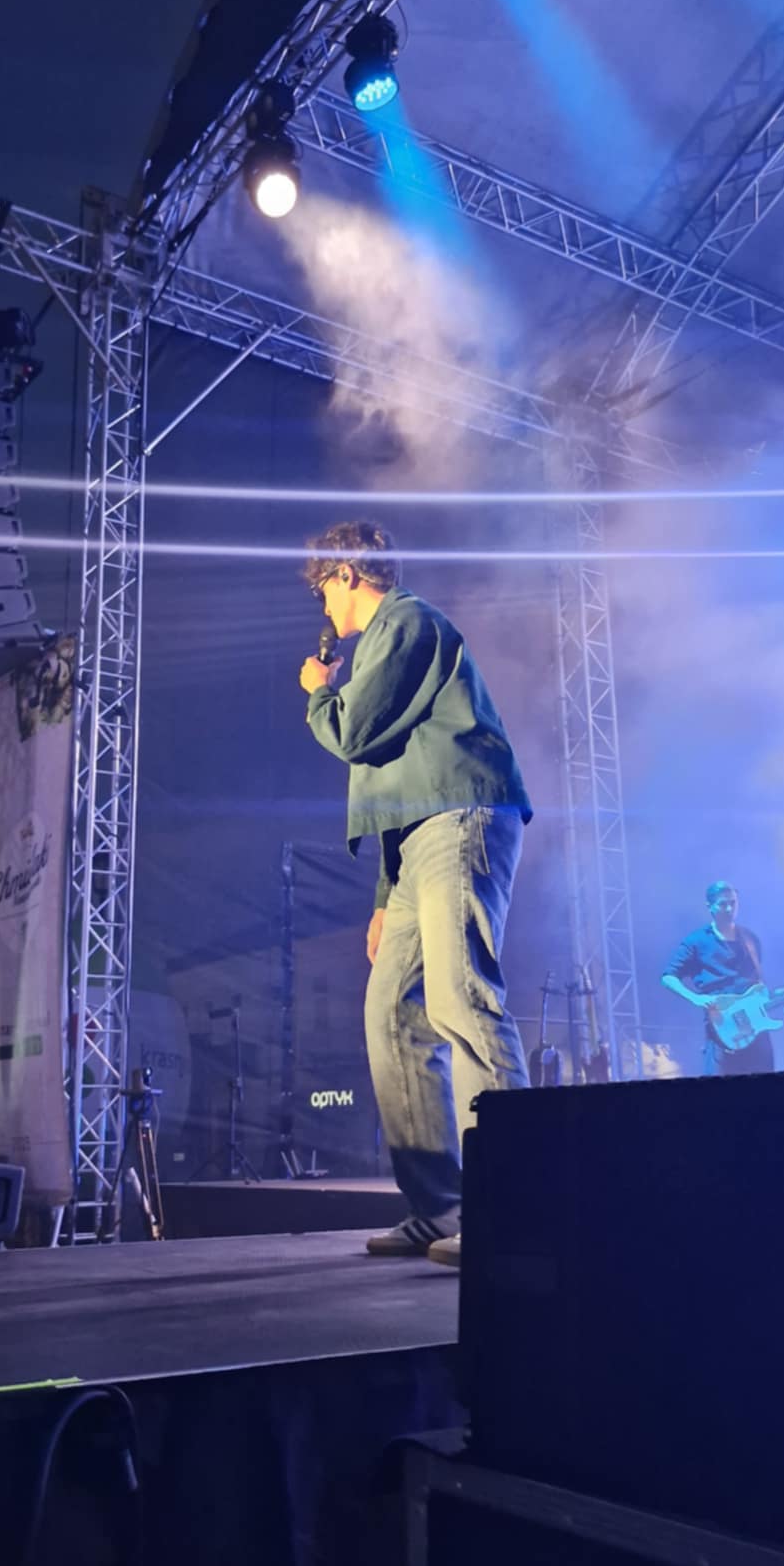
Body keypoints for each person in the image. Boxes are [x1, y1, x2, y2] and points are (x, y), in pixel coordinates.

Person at [299, 520, 533, 1266]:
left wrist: (318, 693)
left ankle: (519, 1209)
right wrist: (382, 896)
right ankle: (439, 1210)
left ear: (346, 573)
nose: (322, 607)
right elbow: (394, 781)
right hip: (415, 844)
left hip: (461, 818)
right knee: (392, 1017)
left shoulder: (405, 623)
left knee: (461, 1001)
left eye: (323, 589)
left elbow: (354, 734)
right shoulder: (385, 642)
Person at [661, 881, 775, 1077]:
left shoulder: (750, 939)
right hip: (723, 1028)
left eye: (733, 903)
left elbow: (756, 986)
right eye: (723, 904)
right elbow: (668, 977)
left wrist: (775, 996)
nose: (729, 909)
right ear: (710, 907)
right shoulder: (696, 941)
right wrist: (695, 998)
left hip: (756, 1032)